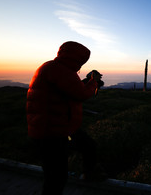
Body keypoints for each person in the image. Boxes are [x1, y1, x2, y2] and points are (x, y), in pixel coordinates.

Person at [26, 41, 104, 195]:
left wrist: (88, 83)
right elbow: (80, 94)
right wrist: (93, 82)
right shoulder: (60, 71)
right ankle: (89, 175)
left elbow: (68, 88)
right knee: (56, 178)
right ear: (77, 59)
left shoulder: (54, 68)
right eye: (82, 61)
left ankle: (90, 174)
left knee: (88, 146)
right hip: (51, 133)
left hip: (61, 128)